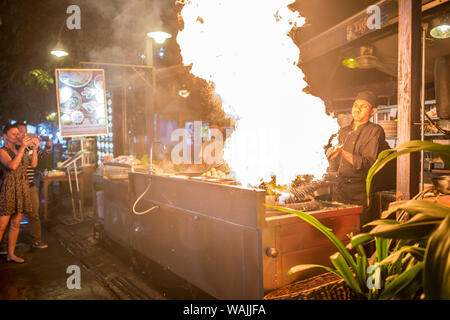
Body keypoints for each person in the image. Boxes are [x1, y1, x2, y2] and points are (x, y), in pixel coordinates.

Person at [327, 91, 388, 228]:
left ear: (372, 112)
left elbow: (368, 163)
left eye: (364, 106)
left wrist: (343, 152)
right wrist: (332, 157)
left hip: (359, 192)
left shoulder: (375, 131)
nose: (358, 109)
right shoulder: (343, 131)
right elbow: (336, 164)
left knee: (358, 231)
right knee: (339, 230)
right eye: (355, 105)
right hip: (340, 190)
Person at [0, 123, 39, 263]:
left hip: (22, 186)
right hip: (9, 188)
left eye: (18, 133)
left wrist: (35, 149)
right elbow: (12, 166)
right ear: (5, 136)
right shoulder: (2, 151)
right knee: (2, 225)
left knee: (16, 223)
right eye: (13, 134)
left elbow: (33, 164)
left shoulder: (19, 149)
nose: (17, 136)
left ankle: (11, 254)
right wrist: (23, 147)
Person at [14, 123, 52, 248]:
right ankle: (5, 244)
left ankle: (36, 240)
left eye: (25, 131)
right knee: (12, 216)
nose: (24, 134)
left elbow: (40, 157)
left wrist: (46, 147)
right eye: (21, 131)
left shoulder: (30, 147)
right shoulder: (12, 148)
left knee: (34, 214)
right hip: (15, 186)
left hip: (30, 185)